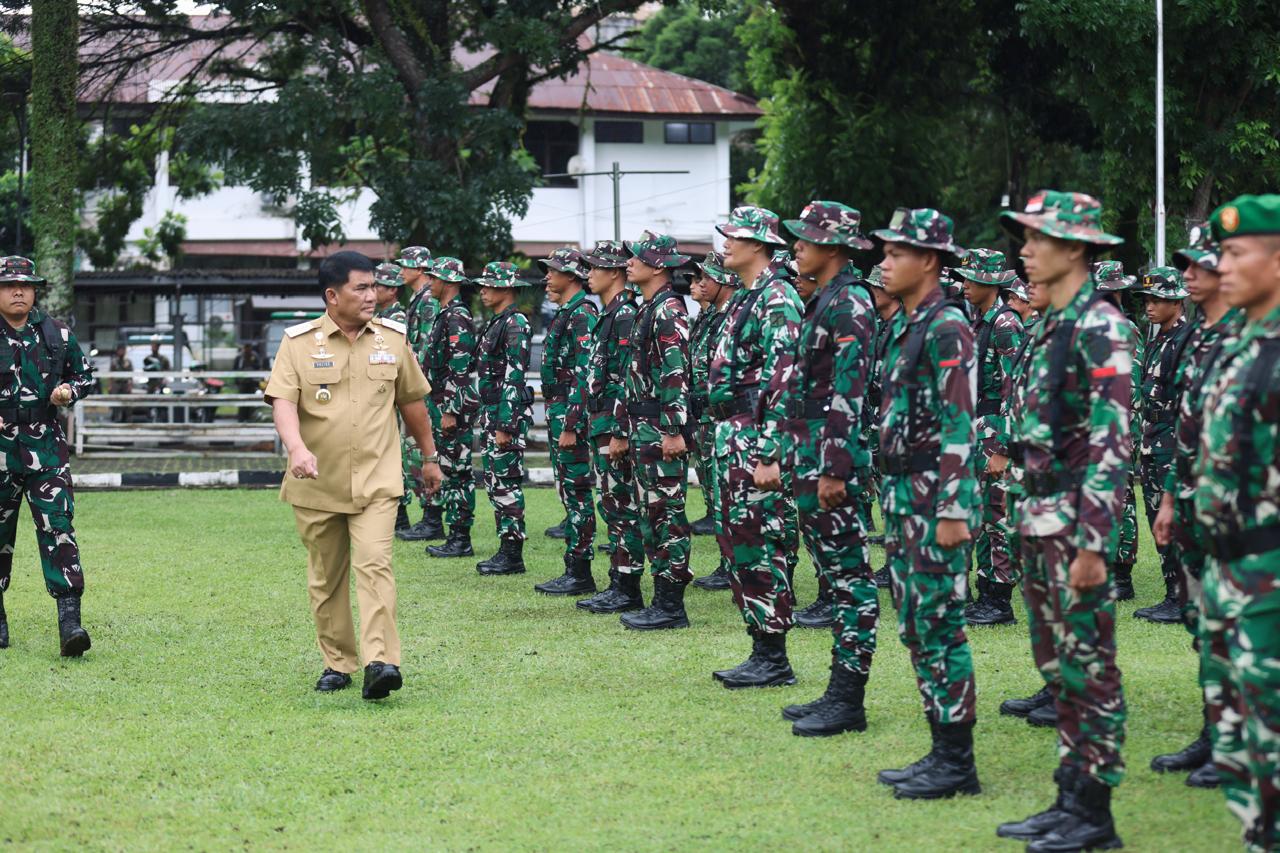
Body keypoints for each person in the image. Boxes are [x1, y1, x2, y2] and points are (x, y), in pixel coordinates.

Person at [995, 191, 1133, 851]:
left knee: (1090, 665)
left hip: (1075, 521)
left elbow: (1112, 442)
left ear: (1074, 247)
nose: (1025, 249)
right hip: (1039, 513)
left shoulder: (1099, 326)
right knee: (1057, 663)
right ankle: (1068, 796)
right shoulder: (1048, 322)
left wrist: (1094, 542)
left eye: (1037, 237)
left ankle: (1095, 815)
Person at [265, 250, 442, 699]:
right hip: (316, 481)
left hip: (377, 480)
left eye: (373, 286)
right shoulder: (298, 343)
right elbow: (283, 401)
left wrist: (429, 456)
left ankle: (381, 661)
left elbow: (413, 403)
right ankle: (338, 663)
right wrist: (297, 448)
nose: (372, 295)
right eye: (360, 288)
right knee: (327, 578)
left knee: (376, 566)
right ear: (332, 295)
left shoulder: (393, 339)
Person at [870, 208, 980, 800]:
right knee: (916, 622)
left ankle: (957, 761)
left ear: (929, 261)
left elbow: (959, 421)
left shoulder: (947, 327)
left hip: (934, 497)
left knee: (939, 624)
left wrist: (953, 508)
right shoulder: (911, 325)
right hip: (904, 494)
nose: (883, 263)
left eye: (895, 253)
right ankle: (940, 748)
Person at [1192, 194, 1280, 852]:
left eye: (1235, 253)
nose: (1222, 266)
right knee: (1239, 749)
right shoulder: (1242, 345)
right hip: (1228, 573)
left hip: (1269, 580)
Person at [777, 200, 879, 736]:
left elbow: (850, 389)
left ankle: (848, 698)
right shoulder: (825, 299)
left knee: (850, 580)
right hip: (811, 456)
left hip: (829, 462)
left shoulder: (850, 304)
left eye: (807, 237)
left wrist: (835, 467)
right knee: (836, 577)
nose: (797, 245)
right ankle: (837, 691)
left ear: (833, 247)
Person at [1148, 223, 1238, 789]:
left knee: (1233, 627)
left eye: (1200, 264)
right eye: (1186, 264)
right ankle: (1215, 732)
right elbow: (1186, 427)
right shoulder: (1201, 337)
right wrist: (1166, 500)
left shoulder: (1245, 335)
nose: (1187, 275)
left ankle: (1235, 741)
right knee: (1200, 620)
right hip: (1190, 502)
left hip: (1235, 514)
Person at [708, 206, 804, 688]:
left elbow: (784, 379)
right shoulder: (748, 297)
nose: (725, 243)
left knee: (761, 542)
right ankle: (761, 648)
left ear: (761, 245)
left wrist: (770, 452)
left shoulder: (778, 297)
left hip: (756, 440)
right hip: (733, 438)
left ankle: (775, 656)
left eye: (734, 237)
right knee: (738, 544)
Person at [0, 256, 96, 656]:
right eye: (8, 285)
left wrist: (69, 392)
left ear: (36, 289)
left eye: (25, 284)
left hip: (47, 453)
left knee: (59, 531)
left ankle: (70, 624)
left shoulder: (56, 333)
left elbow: (86, 375)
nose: (18, 290)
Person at [612, 231, 694, 631]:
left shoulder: (668, 311)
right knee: (651, 514)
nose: (629, 263)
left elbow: (676, 373)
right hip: (642, 425)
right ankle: (660, 600)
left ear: (658, 266)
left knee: (668, 515)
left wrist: (674, 429)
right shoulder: (648, 307)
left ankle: (671, 606)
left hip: (659, 427)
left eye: (636, 257)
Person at [576, 241, 645, 614]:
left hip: (613, 424)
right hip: (601, 422)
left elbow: (624, 378)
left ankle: (628, 586)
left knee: (621, 505)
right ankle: (619, 581)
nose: (588, 273)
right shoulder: (610, 314)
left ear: (614, 273)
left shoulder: (624, 315)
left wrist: (619, 431)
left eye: (595, 267)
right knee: (613, 504)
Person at [957, 248, 1025, 627]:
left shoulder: (1005, 324)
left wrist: (1002, 447)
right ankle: (985, 591)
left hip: (994, 430)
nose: (964, 284)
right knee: (981, 516)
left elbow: (1016, 390)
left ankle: (999, 600)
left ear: (988, 282)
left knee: (997, 516)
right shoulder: (980, 321)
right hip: (976, 427)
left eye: (970, 278)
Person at [533, 248, 600, 596]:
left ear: (572, 275)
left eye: (553, 271)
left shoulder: (582, 314)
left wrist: (573, 423)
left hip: (570, 415)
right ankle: (574, 566)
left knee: (576, 492)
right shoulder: (567, 313)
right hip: (561, 412)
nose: (547, 277)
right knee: (569, 492)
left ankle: (580, 570)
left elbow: (585, 372)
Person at [1134, 266, 1191, 624]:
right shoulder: (1156, 339)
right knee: (1156, 518)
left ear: (1177, 301)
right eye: (1148, 300)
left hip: (1170, 442)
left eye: (1159, 300)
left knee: (1174, 520)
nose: (1150, 307)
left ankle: (1183, 596)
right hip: (1153, 441)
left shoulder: (1183, 341)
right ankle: (1173, 591)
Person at [473, 262, 534, 576]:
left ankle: (513, 553)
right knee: (495, 482)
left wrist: (505, 425)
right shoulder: (498, 321)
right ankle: (505, 549)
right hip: (494, 411)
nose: (483, 290)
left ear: (506, 287)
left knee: (506, 483)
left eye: (489, 285)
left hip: (504, 414)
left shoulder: (515, 323)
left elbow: (515, 376)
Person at [422, 258, 480, 559]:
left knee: (457, 471)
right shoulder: (445, 315)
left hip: (450, 405)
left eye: (434, 278)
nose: (429, 282)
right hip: (441, 401)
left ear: (447, 281)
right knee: (449, 467)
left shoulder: (457, 316)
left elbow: (461, 367)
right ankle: (455, 534)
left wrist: (451, 409)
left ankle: (460, 538)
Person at [687, 252, 739, 591]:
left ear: (724, 280)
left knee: (729, 496)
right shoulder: (710, 318)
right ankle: (727, 563)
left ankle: (733, 565)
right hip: (705, 418)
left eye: (706, 277)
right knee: (717, 493)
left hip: (723, 418)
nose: (699, 283)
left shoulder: (731, 318)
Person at [395, 245, 443, 542]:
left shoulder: (427, 301)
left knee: (422, 451)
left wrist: (414, 383)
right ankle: (429, 515)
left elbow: (423, 348)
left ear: (421, 269)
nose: (402, 270)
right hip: (417, 385)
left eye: (407, 265)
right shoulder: (418, 299)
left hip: (423, 388)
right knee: (412, 453)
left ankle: (433, 517)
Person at [867, 264, 898, 588]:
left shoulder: (905, 326)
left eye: (877, 287)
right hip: (880, 418)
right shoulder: (883, 326)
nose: (873, 293)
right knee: (886, 496)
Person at [232, 342, 263, 422]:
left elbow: (258, 366)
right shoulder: (239, 357)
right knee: (242, 400)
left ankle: (249, 418)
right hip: (242, 382)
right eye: (246, 347)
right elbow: (235, 369)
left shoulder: (254, 356)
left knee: (251, 400)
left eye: (249, 347)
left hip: (252, 381)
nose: (247, 349)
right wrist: (237, 381)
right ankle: (241, 418)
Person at [109, 343, 133, 423]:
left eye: (123, 350)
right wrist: (110, 385)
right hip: (116, 383)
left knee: (127, 402)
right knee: (115, 401)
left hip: (125, 383)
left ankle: (127, 418)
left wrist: (130, 385)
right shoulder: (114, 361)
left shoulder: (128, 362)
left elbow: (131, 374)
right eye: (120, 350)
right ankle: (116, 417)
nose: (121, 352)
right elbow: (111, 374)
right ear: (117, 351)